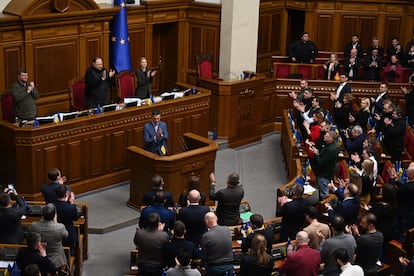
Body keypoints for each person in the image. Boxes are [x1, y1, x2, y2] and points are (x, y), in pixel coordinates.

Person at [29, 203, 69, 269]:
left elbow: (30, 233)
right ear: (54, 215)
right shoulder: (60, 227)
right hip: (56, 260)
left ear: (43, 215)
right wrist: (55, 223)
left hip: (39, 258)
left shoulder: (34, 225)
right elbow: (66, 235)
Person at [309, 130, 338, 200]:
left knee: (324, 195)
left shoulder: (330, 149)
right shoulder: (330, 146)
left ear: (331, 139)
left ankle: (324, 208)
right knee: (321, 192)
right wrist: (317, 152)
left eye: (326, 136)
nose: (324, 136)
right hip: (324, 173)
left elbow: (320, 162)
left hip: (324, 175)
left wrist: (316, 153)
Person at [54, 185, 79, 256]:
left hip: (55, 235)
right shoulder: (71, 208)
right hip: (68, 236)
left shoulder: (51, 206)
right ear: (66, 194)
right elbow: (76, 218)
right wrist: (72, 202)